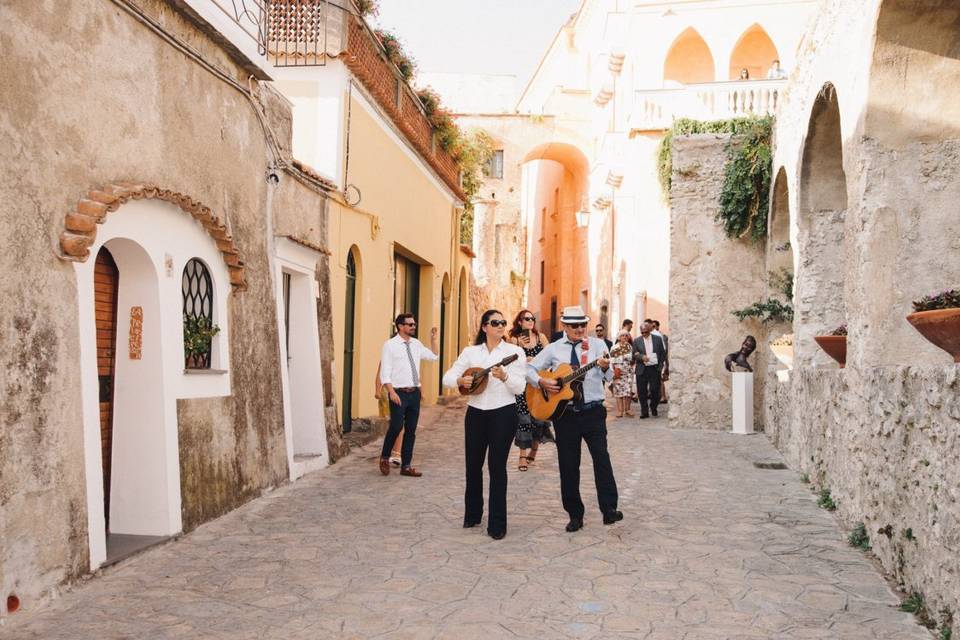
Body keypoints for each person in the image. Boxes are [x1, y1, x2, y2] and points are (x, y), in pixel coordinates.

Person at [527, 305, 622, 532]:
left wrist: (607, 367)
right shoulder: (553, 349)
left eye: (582, 324)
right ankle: (574, 514)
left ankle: (609, 510)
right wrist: (541, 382)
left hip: (593, 412)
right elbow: (529, 369)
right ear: (565, 326)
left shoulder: (599, 346)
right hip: (565, 415)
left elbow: (610, 378)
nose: (579, 329)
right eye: (574, 325)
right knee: (568, 465)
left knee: (602, 460)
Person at [443, 310, 527, 540]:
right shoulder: (471, 352)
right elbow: (447, 377)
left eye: (503, 323)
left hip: (503, 413)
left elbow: (520, 387)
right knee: (473, 465)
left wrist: (505, 377)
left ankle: (497, 524)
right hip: (476, 413)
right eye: (495, 323)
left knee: (497, 468)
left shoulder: (515, 352)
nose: (500, 326)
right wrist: (460, 380)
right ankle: (472, 514)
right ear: (484, 327)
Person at [378, 314, 438, 477]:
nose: (413, 326)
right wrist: (391, 392)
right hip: (398, 392)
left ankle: (406, 466)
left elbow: (433, 357)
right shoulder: (390, 345)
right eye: (410, 324)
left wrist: (433, 340)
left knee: (411, 430)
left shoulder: (417, 344)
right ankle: (384, 457)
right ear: (400, 326)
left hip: (414, 393)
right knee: (396, 426)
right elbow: (385, 372)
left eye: (414, 324)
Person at [507, 310, 551, 471]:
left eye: (532, 318)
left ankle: (534, 449)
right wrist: (523, 355)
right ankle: (522, 456)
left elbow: (550, 357)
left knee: (538, 419)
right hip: (522, 385)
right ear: (520, 322)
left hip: (538, 383)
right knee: (523, 420)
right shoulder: (513, 340)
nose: (530, 321)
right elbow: (509, 362)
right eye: (527, 319)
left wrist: (537, 361)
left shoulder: (541, 338)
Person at [633, 320, 667, 418]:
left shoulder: (657, 339)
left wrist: (661, 366)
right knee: (641, 391)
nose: (644, 334)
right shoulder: (637, 341)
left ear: (650, 330)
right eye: (642, 332)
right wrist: (641, 357)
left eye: (646, 332)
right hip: (641, 369)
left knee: (655, 390)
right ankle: (644, 411)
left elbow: (662, 353)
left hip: (654, 369)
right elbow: (634, 354)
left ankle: (653, 407)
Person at [375, 363, 403, 465]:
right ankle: (392, 451)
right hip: (386, 395)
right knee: (391, 424)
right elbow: (379, 376)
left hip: (400, 393)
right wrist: (377, 390)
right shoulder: (385, 358)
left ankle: (397, 453)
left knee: (399, 424)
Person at [610, 330, 636, 418]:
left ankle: (627, 409)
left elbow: (633, 359)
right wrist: (613, 371)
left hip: (628, 371)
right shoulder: (614, 347)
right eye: (622, 335)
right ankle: (619, 410)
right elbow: (611, 361)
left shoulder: (630, 347)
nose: (624, 337)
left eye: (626, 335)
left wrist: (632, 367)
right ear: (619, 337)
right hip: (618, 371)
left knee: (628, 391)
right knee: (618, 391)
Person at [650, 319, 670, 404]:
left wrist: (666, 363)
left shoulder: (662, 336)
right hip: (654, 360)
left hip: (660, 360)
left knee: (660, 379)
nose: (653, 328)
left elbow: (664, 350)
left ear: (658, 326)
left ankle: (663, 396)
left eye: (654, 326)